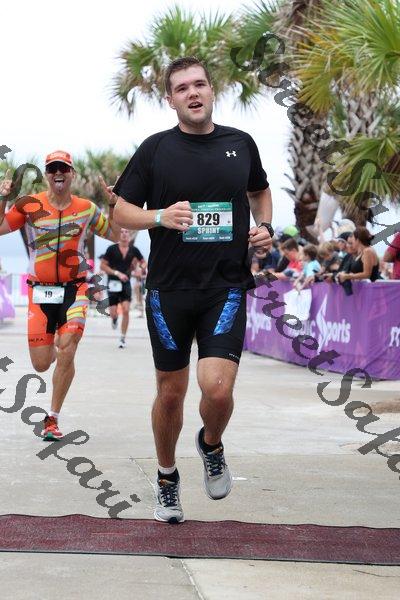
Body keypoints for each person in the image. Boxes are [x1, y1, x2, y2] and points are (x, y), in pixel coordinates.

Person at [112, 56, 273, 523]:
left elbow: (260, 191)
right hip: (169, 290)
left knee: (217, 390)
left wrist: (265, 226)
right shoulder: (156, 149)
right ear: (171, 99)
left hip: (225, 286)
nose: (193, 93)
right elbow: (121, 211)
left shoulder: (240, 144)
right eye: (182, 88)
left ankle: (211, 444)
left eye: (199, 84)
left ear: (211, 90)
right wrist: (160, 216)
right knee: (170, 394)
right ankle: (167, 477)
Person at [0, 151, 120, 439]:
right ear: (46, 175)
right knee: (41, 364)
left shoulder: (87, 209)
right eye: (53, 168)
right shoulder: (28, 205)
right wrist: (3, 198)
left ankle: (52, 418)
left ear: (72, 174)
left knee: (68, 347)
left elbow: (115, 235)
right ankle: (54, 339)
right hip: (39, 291)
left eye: (63, 168)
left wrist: (113, 205)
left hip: (76, 289)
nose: (58, 173)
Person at [100, 228, 146, 348]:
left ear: (130, 235)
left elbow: (143, 262)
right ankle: (114, 319)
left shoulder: (134, 250)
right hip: (113, 283)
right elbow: (103, 266)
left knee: (126, 310)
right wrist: (116, 273)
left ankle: (122, 338)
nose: (124, 234)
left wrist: (141, 269)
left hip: (126, 283)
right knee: (113, 312)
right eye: (122, 232)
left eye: (126, 232)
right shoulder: (112, 249)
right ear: (118, 234)